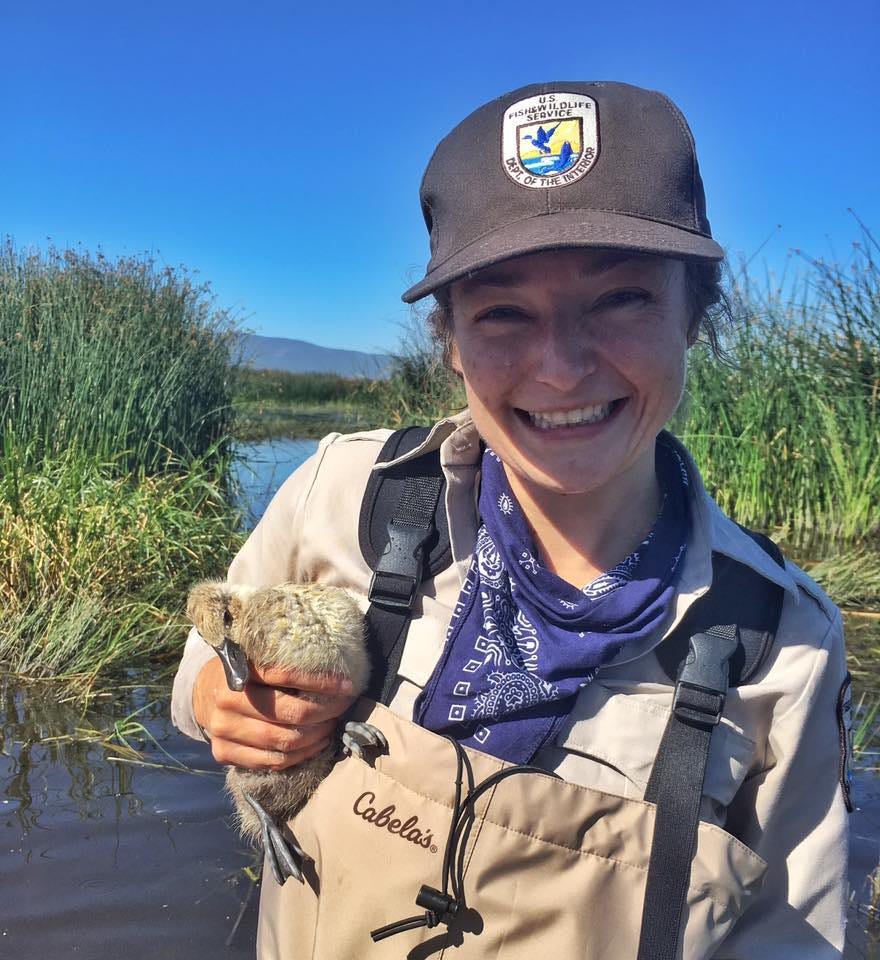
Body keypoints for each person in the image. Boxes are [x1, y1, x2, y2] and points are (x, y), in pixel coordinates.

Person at [172, 81, 850, 958]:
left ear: (696, 315)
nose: (562, 368)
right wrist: (219, 699)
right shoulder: (345, 494)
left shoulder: (778, 639)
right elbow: (203, 663)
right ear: (448, 339)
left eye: (622, 299)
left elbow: (795, 939)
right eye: (501, 313)